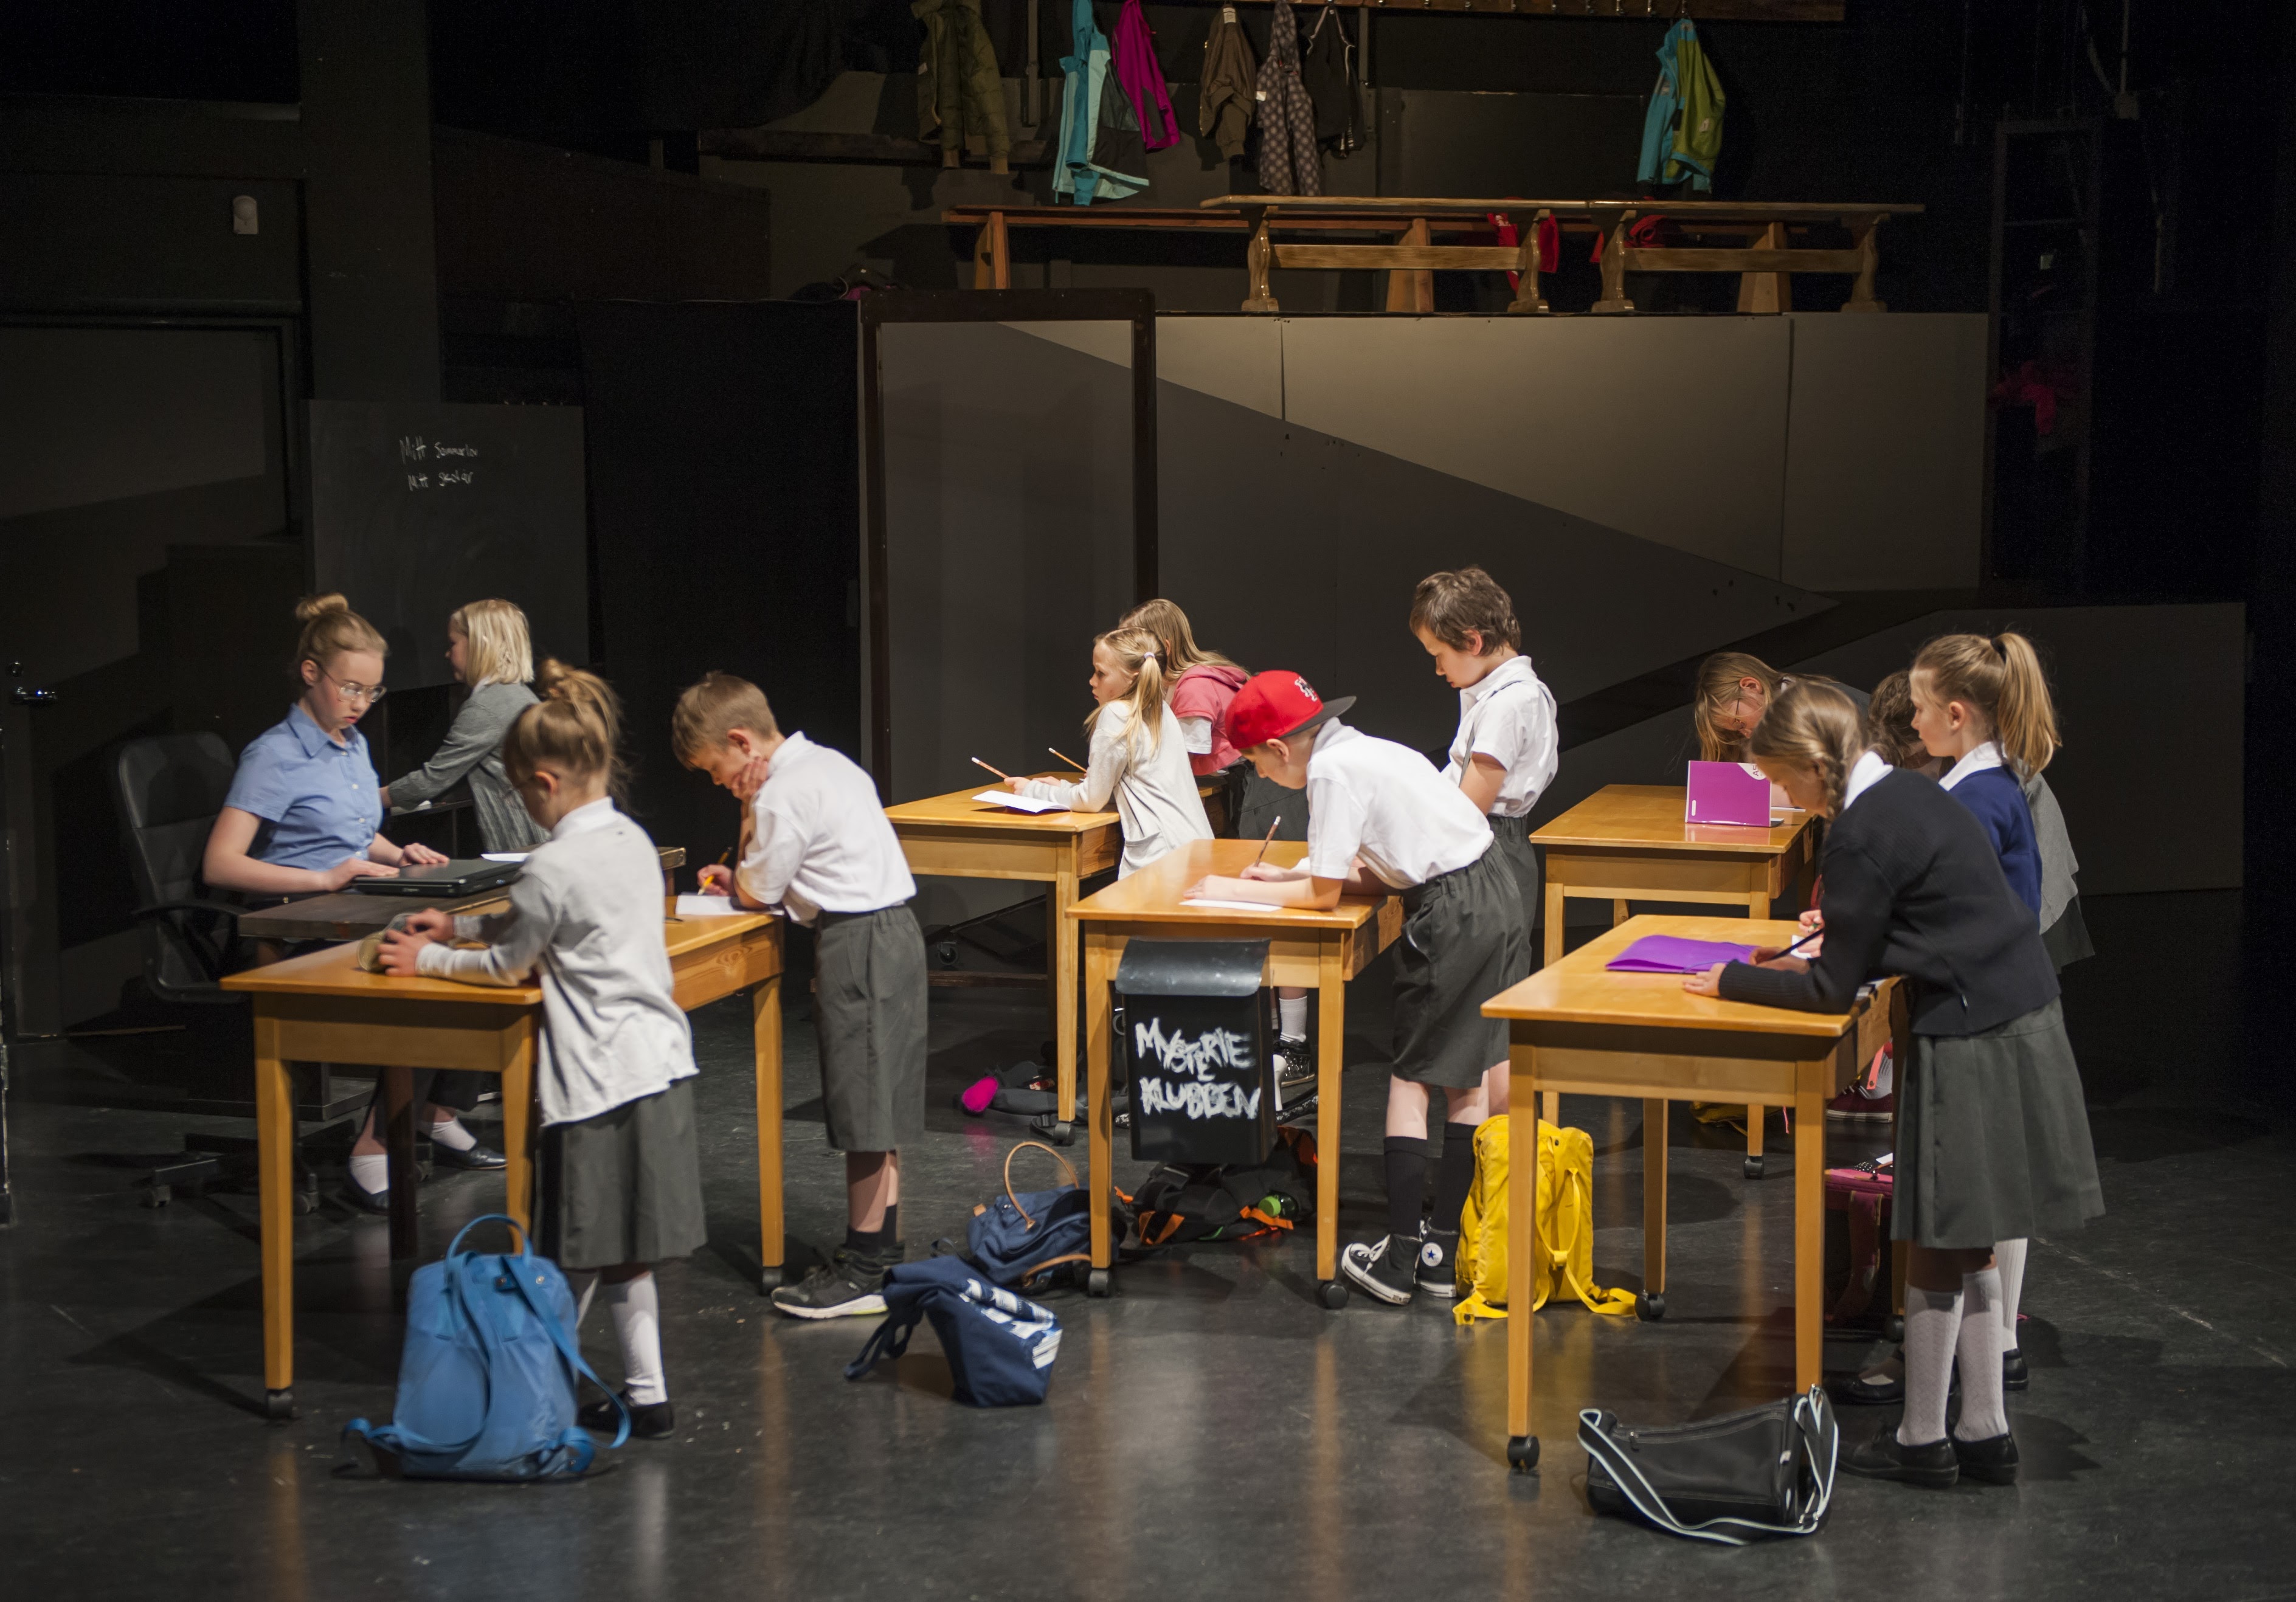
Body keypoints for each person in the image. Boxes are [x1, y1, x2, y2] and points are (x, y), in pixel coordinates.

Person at [1683, 680, 2102, 1488]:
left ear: (1814, 764)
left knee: (1938, 1235)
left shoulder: (1858, 832)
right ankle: (1983, 1429)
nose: (1781, 795)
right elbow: (1915, 921)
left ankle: (1920, 1437)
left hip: (1971, 1031)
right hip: (2017, 1015)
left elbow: (1829, 992)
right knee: (1968, 1235)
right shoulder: (1910, 792)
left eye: (1781, 777)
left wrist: (1733, 979)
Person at [378, 661, 702, 1440]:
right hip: (657, 1066)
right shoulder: (630, 839)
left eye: (519, 790)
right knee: (621, 1248)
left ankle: (532, 1384)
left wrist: (428, 957)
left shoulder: (554, 861)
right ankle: (643, 1392)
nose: (519, 803)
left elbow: (510, 961)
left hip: (596, 1079)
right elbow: (550, 921)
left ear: (545, 783)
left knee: (577, 1245)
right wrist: (458, 924)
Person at [1188, 671, 1530, 1305]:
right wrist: (1278, 882)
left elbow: (1323, 895)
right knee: (1465, 1081)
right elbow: (1386, 871)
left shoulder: (1329, 772)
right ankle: (1440, 1254)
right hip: (1492, 892)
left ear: (1279, 748)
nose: (1260, 775)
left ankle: (1400, 1259)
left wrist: (1229, 888)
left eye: (1256, 762)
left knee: (1411, 1079)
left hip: (1454, 910)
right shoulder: (1371, 749)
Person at [202, 594, 499, 1213]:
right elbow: (221, 864)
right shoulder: (274, 755)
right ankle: (374, 1148)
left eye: (372, 691)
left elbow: (354, 836)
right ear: (312, 674)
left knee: (470, 942)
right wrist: (325, 878)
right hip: (293, 926)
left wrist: (398, 853)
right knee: (422, 970)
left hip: (353, 908)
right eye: (350, 688)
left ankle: (433, 1110)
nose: (361, 703)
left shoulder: (352, 742)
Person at [675, 672, 928, 1319]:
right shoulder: (830, 763)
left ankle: (865, 1269)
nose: (721, 783)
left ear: (741, 742)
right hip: (893, 933)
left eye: (717, 771)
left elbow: (759, 891)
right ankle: (878, 1254)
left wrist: (745, 820)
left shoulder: (780, 793)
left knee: (864, 1113)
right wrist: (749, 872)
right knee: (877, 1110)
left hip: (859, 943)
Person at [1119, 599, 1318, 1084]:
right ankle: (1271, 1036)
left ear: (1164, 647)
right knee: (1261, 915)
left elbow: (1190, 758)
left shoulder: (1194, 686)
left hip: (1267, 790)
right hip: (1257, 788)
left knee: (1277, 913)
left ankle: (1293, 1044)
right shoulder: (1208, 675)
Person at [1409, 567, 1557, 1117]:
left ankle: (1494, 1148)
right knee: (1489, 1007)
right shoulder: (1499, 694)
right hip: (1491, 846)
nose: (1437, 669)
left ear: (1473, 641)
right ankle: (1496, 1148)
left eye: (1439, 654)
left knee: (1488, 1012)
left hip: (1486, 850)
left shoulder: (1511, 702)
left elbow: (1468, 805)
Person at [1005, 626, 1211, 878]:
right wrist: (1065, 789)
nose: (1092, 681)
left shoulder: (1116, 714)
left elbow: (1092, 800)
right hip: (1195, 846)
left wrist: (1032, 791)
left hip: (1163, 859)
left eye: (1101, 674)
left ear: (1132, 678)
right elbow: (1136, 789)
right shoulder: (1162, 709)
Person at [381, 598, 548, 854]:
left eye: (453, 643)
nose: (447, 654)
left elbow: (432, 780)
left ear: (481, 645)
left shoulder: (486, 706)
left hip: (524, 845)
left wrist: (368, 800)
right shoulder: (520, 694)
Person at [1119, 598, 1250, 783]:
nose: (1121, 656)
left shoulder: (1194, 688)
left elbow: (1181, 761)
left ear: (1165, 648)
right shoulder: (1170, 686)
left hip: (1251, 784)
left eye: (1129, 648)